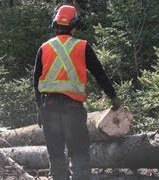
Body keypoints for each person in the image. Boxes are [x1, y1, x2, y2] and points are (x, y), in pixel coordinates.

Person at [33, 4, 121, 180]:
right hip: (72, 108)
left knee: (56, 154)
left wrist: (40, 110)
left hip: (48, 106)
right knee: (79, 152)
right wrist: (113, 97)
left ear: (55, 24)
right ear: (75, 25)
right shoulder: (82, 46)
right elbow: (99, 73)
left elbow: (36, 82)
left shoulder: (44, 47)